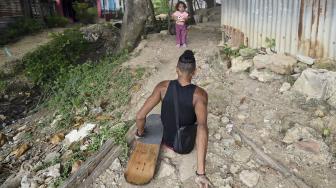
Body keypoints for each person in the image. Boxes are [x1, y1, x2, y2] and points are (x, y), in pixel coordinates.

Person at [135, 50, 212, 188]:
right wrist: (201, 173)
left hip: (166, 140)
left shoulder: (162, 87)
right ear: (194, 72)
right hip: (184, 145)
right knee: (201, 123)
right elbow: (202, 128)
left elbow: (140, 116)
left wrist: (140, 133)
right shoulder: (200, 95)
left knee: (158, 118)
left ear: (177, 70)